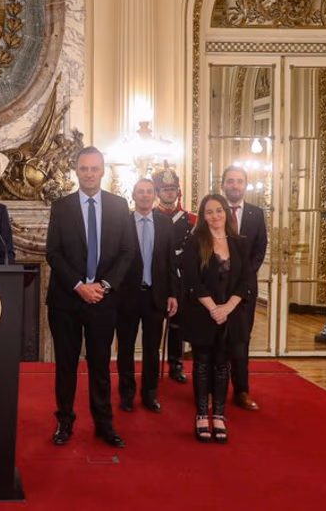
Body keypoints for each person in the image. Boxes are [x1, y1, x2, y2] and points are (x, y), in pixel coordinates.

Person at [45, 146, 134, 448]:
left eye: (95, 168)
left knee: (100, 366)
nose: (89, 174)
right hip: (66, 300)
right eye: (84, 168)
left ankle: (104, 424)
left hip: (103, 301)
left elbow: (127, 252)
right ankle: (64, 422)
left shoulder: (119, 206)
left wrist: (104, 285)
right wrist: (79, 285)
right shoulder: (61, 206)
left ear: (103, 170)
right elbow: (53, 253)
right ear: (76, 171)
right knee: (65, 366)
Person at [181, 194, 252, 443]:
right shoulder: (194, 242)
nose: (215, 216)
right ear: (203, 216)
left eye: (219, 210)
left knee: (223, 365)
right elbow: (192, 280)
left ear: (226, 213)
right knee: (202, 364)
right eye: (209, 212)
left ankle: (219, 416)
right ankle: (202, 414)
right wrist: (214, 309)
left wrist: (227, 308)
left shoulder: (240, 243)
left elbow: (246, 281)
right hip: (203, 312)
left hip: (231, 315)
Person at [116, 179, 178, 414]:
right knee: (125, 348)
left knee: (152, 349)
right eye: (140, 192)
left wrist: (173, 294)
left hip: (156, 296)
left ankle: (150, 394)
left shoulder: (165, 223)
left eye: (149, 192)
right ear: (133, 195)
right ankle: (127, 394)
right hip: (127, 297)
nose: (144, 196)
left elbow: (171, 261)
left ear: (155, 195)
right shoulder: (122, 223)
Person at [221, 165, 267, 411]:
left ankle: (241, 391)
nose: (235, 185)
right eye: (230, 181)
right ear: (223, 185)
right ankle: (213, 390)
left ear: (245, 185)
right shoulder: (214, 211)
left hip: (245, 290)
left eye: (239, 181)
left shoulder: (256, 214)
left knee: (240, 342)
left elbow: (260, 250)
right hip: (217, 290)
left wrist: (242, 278)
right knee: (216, 342)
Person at [153, 162, 197, 383]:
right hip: (155, 276)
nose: (169, 193)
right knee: (153, 322)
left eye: (172, 189)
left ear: (178, 191)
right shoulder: (150, 215)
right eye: (165, 189)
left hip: (180, 277)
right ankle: (152, 364)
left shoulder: (191, 219)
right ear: (158, 192)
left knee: (177, 323)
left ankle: (176, 363)